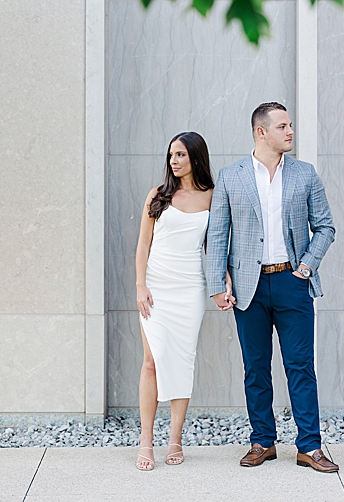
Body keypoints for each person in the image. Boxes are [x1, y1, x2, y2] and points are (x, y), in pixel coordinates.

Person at [206, 102, 338, 472]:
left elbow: (326, 226)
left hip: (292, 282)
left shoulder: (305, 174)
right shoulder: (231, 177)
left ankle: (309, 446)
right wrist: (217, 283)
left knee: (300, 366)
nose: (291, 132)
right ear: (261, 132)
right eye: (283, 126)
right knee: (255, 369)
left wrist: (307, 266)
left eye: (291, 125)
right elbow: (217, 235)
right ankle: (262, 441)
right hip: (248, 288)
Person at [134, 131, 215, 471]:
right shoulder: (158, 195)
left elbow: (216, 246)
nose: (174, 161)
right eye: (171, 156)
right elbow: (142, 245)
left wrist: (221, 281)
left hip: (190, 290)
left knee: (183, 360)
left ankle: (176, 439)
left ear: (195, 157)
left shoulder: (213, 197)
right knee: (152, 360)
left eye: (180, 155)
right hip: (156, 287)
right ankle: (145, 441)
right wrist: (140, 285)